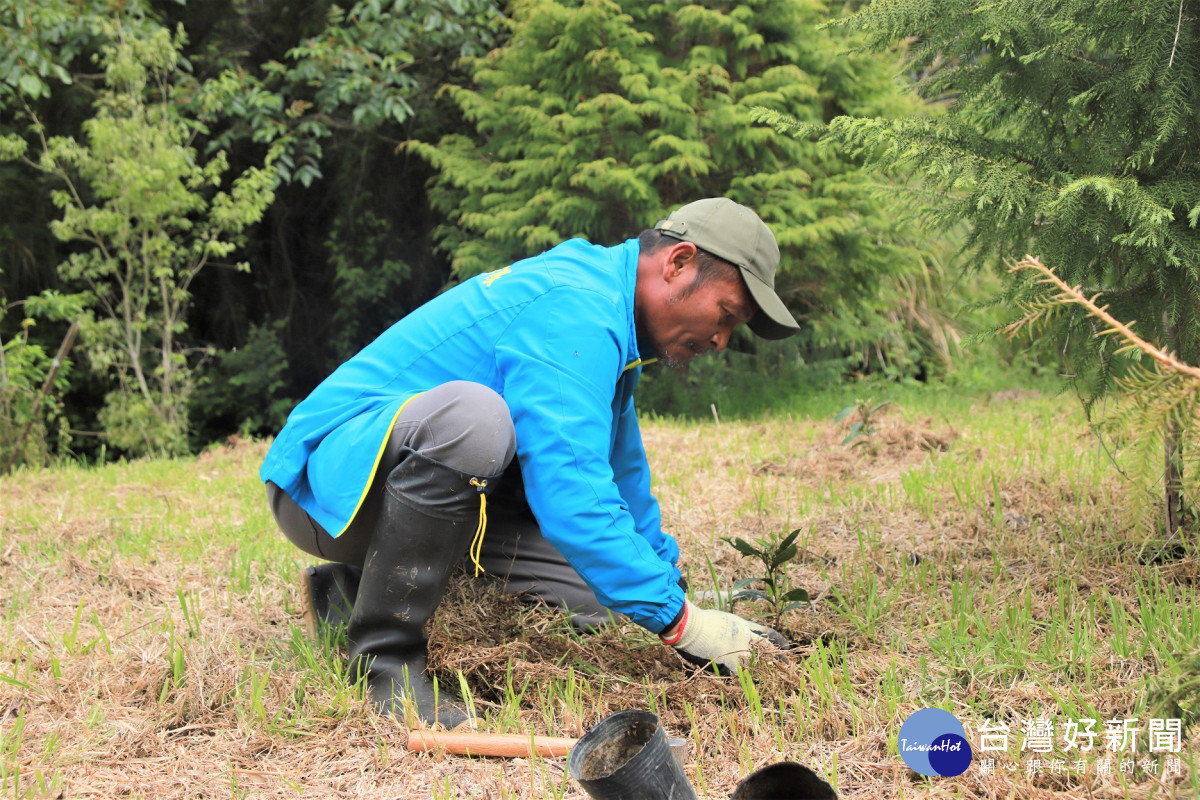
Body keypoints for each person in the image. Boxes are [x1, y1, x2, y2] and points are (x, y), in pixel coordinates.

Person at [260, 197, 801, 729]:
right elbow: (570, 493)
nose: (722, 339)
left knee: (605, 597)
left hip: (400, 499)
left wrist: (671, 592)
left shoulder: (612, 321)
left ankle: (347, 590)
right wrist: (684, 627)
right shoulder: (576, 307)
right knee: (475, 420)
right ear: (678, 263)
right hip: (326, 485)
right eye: (726, 314)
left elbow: (619, 478)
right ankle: (386, 663)